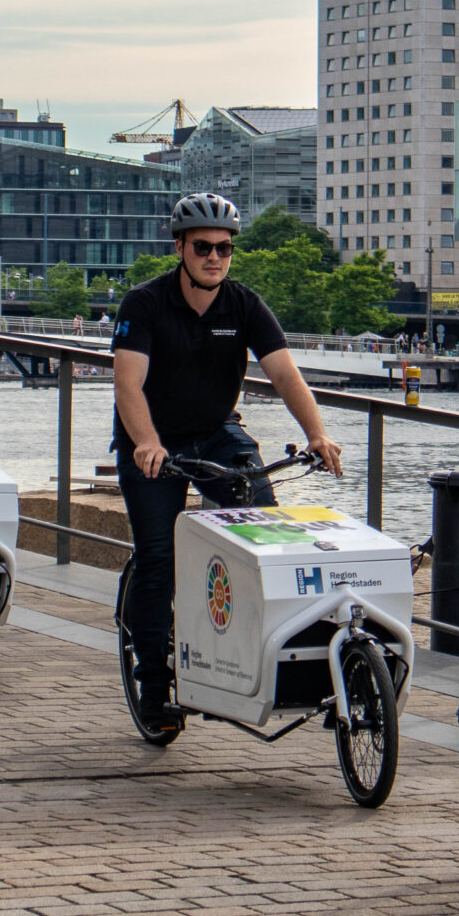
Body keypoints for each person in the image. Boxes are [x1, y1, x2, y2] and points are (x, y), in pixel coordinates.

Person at [111, 192, 345, 732]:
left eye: (225, 248)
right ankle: (152, 684)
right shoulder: (144, 304)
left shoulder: (243, 305)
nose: (215, 256)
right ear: (180, 248)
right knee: (158, 559)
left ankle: (264, 658)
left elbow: (286, 375)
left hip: (217, 433)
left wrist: (317, 434)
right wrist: (146, 441)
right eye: (203, 247)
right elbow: (128, 386)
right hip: (153, 439)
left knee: (265, 536)